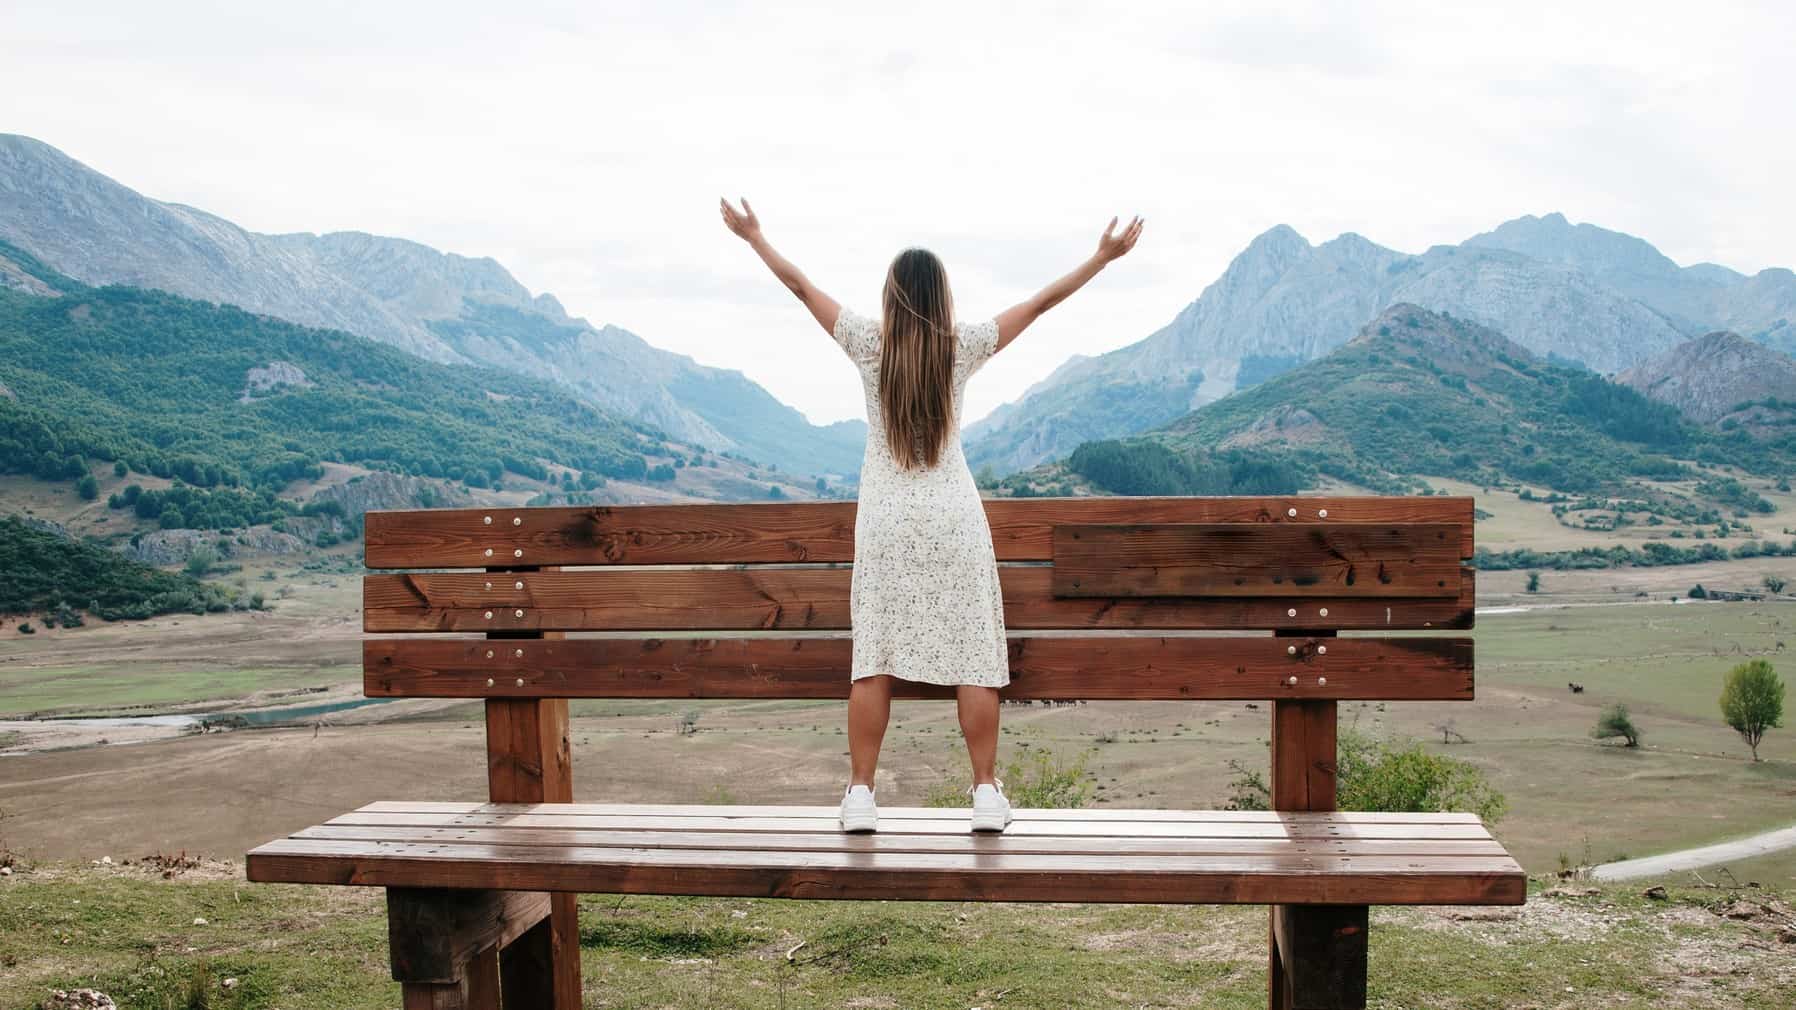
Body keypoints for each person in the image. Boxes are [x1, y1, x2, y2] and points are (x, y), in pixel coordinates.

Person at [720, 197, 1143, 832]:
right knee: (974, 653)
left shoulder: (867, 343)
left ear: (890, 297)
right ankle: (984, 795)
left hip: (887, 521)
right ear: (942, 297)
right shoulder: (961, 347)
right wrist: (1102, 258)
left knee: (875, 656)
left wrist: (754, 236)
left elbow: (800, 286)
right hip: (954, 520)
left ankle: (861, 794)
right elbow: (1039, 304)